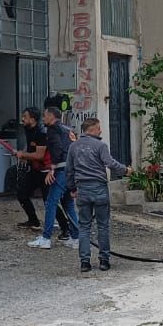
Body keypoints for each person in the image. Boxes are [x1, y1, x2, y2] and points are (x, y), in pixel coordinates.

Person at [68, 116, 129, 272]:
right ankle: (104, 260)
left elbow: (69, 170)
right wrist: (126, 170)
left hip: (83, 190)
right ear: (92, 129)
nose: (101, 130)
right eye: (99, 127)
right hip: (99, 189)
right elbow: (110, 163)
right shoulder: (101, 146)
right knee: (102, 226)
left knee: (84, 227)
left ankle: (85, 262)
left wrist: (72, 189)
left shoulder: (74, 147)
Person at [34, 106, 79, 250]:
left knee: (51, 202)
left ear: (52, 117)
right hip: (71, 170)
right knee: (68, 204)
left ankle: (46, 238)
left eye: (45, 116)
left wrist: (52, 168)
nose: (43, 118)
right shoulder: (67, 129)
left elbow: (57, 149)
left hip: (61, 169)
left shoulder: (53, 130)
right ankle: (76, 237)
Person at [14, 108, 48, 232]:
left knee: (48, 200)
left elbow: (40, 156)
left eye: (25, 116)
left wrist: (23, 155)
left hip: (45, 171)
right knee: (22, 194)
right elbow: (31, 151)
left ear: (32, 119)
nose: (22, 119)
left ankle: (66, 228)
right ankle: (33, 221)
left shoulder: (41, 132)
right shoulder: (28, 129)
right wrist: (23, 155)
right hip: (34, 169)